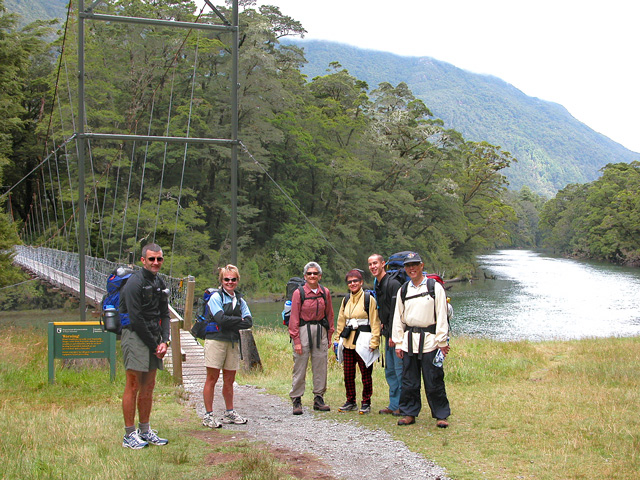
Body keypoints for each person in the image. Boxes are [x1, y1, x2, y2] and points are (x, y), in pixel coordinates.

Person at [119, 243, 171, 449]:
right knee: (133, 384)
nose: (155, 263)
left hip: (154, 336)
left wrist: (164, 341)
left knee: (149, 385)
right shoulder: (134, 283)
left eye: (159, 259)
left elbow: (165, 314)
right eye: (151, 259)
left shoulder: (160, 282)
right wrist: (154, 343)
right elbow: (136, 318)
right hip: (135, 335)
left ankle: (145, 430)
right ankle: (129, 434)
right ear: (143, 260)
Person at [392, 252, 451, 428]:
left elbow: (442, 315)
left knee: (434, 380)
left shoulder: (434, 288)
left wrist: (442, 341)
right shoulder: (403, 290)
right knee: (409, 380)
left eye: (415, 265)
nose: (412, 268)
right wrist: (398, 342)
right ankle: (409, 412)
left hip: (430, 341)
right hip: (410, 340)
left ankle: (441, 414)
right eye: (409, 266)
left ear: (421, 266)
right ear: (405, 268)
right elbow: (398, 318)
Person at [202, 264, 253, 428]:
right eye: (226, 279)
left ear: (237, 280)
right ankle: (208, 415)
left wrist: (229, 322)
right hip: (216, 340)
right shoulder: (215, 298)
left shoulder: (240, 300)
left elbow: (249, 322)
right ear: (221, 280)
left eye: (233, 279)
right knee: (212, 378)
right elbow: (219, 319)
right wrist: (238, 321)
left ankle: (229, 412)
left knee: (229, 380)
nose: (229, 282)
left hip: (232, 342)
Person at [288, 262, 334, 415]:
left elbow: (330, 314)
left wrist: (329, 334)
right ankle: (296, 399)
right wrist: (296, 340)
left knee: (320, 365)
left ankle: (319, 398)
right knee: (300, 366)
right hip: (303, 331)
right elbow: (294, 316)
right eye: (309, 274)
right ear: (305, 276)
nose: (312, 276)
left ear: (320, 276)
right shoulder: (298, 293)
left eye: (315, 273)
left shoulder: (325, 292)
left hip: (320, 330)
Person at [335, 269, 381, 414]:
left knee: (365, 374)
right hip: (348, 342)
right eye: (350, 282)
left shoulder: (369, 299)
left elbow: (375, 322)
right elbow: (341, 320)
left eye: (356, 281)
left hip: (363, 342)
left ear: (361, 282)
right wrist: (337, 340)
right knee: (348, 374)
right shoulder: (346, 299)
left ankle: (366, 402)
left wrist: (374, 342)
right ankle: (350, 401)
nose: (353, 284)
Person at [368, 253, 403, 416]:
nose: (373, 267)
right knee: (389, 370)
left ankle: (403, 405)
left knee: (399, 370)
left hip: (395, 336)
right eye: (370, 264)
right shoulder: (379, 284)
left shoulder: (393, 284)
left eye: (375, 263)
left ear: (383, 264)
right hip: (386, 333)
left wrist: (392, 336)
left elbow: (397, 312)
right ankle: (394, 403)